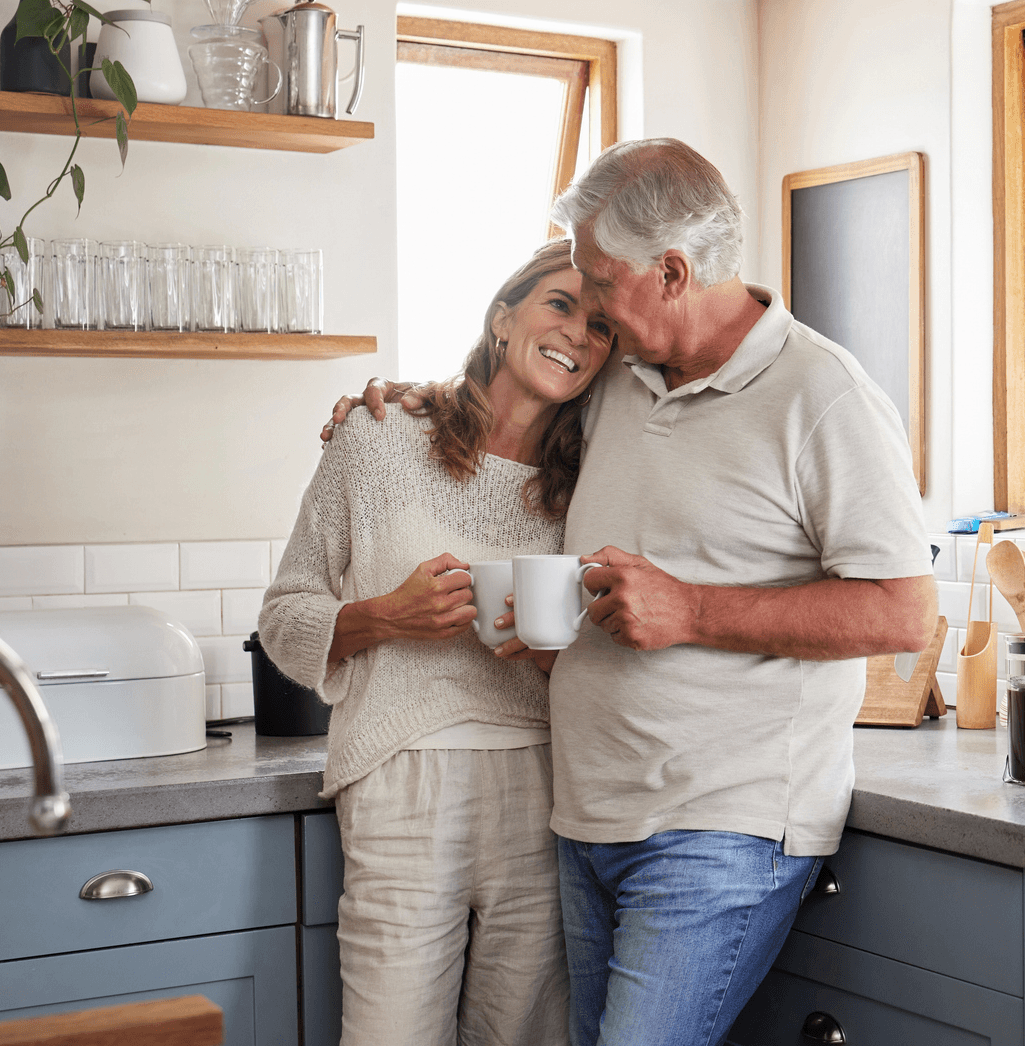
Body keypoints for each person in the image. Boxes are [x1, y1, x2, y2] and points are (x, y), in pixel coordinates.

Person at [330, 137, 936, 1046]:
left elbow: (903, 612)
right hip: (588, 816)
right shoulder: (623, 375)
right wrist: (406, 401)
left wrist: (692, 610)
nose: (594, 315)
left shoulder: (824, 396)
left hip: (722, 829)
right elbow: (521, 382)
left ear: (672, 272)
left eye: (603, 284)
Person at [261, 239, 613, 1046]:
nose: (577, 334)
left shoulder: (595, 476)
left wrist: (553, 650)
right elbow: (283, 617)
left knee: (525, 1037)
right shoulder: (380, 438)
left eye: (601, 325)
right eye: (559, 304)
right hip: (400, 780)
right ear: (503, 319)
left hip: (546, 784)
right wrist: (387, 616)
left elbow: (609, 648)